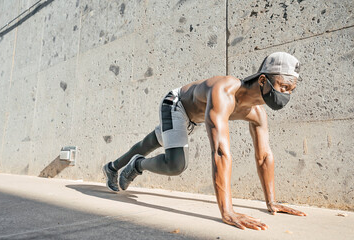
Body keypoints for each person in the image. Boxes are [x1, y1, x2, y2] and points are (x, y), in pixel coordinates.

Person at [103, 52, 307, 230]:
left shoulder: (257, 114)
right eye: (284, 87)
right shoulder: (225, 90)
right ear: (263, 80)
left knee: (148, 144)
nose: (287, 94)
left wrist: (271, 202)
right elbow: (220, 151)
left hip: (192, 120)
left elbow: (263, 156)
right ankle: (137, 165)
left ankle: (112, 167)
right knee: (176, 164)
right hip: (176, 104)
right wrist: (227, 211)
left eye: (291, 90)